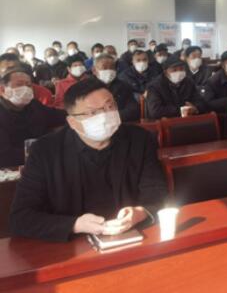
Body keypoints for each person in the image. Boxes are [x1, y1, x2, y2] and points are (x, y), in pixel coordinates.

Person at [9, 78, 168, 242]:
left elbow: (157, 192)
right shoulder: (45, 152)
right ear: (72, 122)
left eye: (110, 107)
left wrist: (140, 212)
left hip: (132, 236)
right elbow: (20, 217)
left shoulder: (139, 139)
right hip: (71, 245)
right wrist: (75, 224)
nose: (105, 116)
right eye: (92, 113)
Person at [0, 67, 66, 167]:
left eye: (28, 85)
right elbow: (5, 156)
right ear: (2, 90)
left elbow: (59, 116)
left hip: (44, 160)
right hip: (13, 168)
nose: (26, 89)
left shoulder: (34, 105)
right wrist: (45, 151)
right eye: (19, 84)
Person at [92, 54, 140, 122]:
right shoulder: (86, 88)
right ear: (94, 70)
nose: (109, 71)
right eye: (104, 68)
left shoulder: (124, 86)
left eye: (112, 68)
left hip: (120, 122)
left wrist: (113, 117)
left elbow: (133, 110)